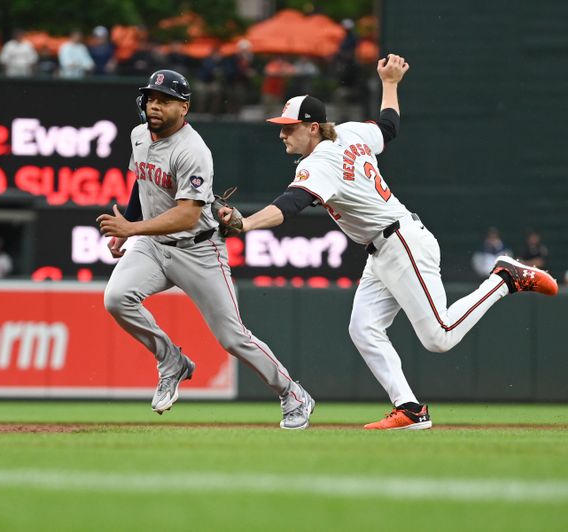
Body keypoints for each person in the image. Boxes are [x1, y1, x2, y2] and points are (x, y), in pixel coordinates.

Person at [218, 54, 559, 430]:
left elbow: (292, 204)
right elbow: (388, 126)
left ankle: (504, 278)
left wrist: (246, 223)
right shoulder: (349, 131)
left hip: (401, 243)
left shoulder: (319, 162)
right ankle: (410, 408)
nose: (282, 133)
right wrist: (391, 84)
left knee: (439, 337)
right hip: (383, 249)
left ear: (312, 128)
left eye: (289, 127)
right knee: (363, 327)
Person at [97, 69, 314, 430]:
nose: (154, 105)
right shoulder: (139, 135)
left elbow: (187, 214)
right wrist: (129, 229)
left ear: (184, 107)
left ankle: (292, 393)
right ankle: (172, 362)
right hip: (152, 246)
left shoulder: (193, 150)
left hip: (198, 249)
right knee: (116, 298)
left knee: (233, 337)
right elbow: (142, 182)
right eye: (151, 98)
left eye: (164, 100)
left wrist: (131, 228)